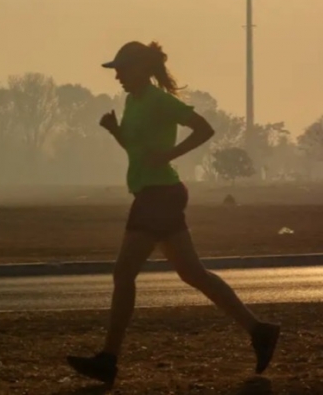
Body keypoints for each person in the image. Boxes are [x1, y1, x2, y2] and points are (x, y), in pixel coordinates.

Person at [66, 41, 280, 387]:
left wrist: (170, 155)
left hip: (159, 196)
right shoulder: (132, 102)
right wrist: (115, 131)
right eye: (115, 69)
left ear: (140, 69)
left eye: (121, 68)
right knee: (193, 274)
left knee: (124, 273)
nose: (117, 75)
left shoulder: (159, 100)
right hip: (154, 193)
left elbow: (205, 128)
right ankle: (259, 330)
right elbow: (137, 150)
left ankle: (108, 358)